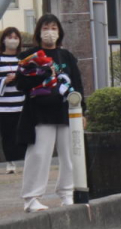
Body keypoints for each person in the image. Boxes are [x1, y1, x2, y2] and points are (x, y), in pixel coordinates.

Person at [14, 15, 85, 212]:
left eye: (54, 27)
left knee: (70, 155)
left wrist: (83, 111)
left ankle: (67, 193)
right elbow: (21, 84)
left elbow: (77, 84)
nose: (50, 31)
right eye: (46, 27)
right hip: (40, 113)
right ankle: (31, 197)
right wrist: (41, 75)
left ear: (59, 32)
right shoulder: (30, 56)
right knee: (39, 154)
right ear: (39, 31)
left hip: (66, 112)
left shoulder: (66, 56)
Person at [0, 27, 27, 174]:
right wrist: (4, 81)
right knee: (7, 135)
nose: (12, 40)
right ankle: (10, 162)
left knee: (21, 133)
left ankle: (21, 160)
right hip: (3, 106)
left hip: (21, 104)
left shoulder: (22, 59)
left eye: (16, 37)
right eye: (9, 37)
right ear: (3, 40)